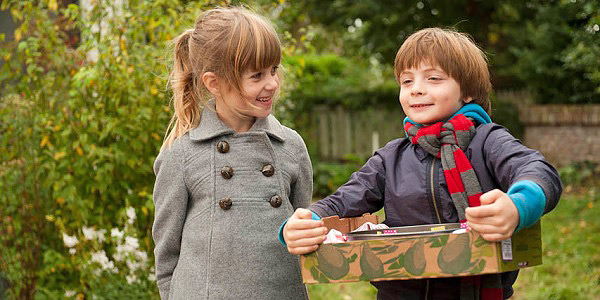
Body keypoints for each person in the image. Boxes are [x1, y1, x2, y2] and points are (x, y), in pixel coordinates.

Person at [281, 28, 562, 300]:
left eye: (433, 78)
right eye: (407, 81)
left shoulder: (488, 140)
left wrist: (517, 206)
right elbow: (344, 200)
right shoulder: (391, 157)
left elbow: (538, 172)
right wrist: (308, 220)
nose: (416, 90)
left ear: (467, 91)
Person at [152, 7, 312, 300]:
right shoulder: (182, 154)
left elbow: (303, 233)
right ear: (214, 83)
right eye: (257, 75)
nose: (272, 83)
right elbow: (166, 253)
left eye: (274, 70)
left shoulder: (291, 146)